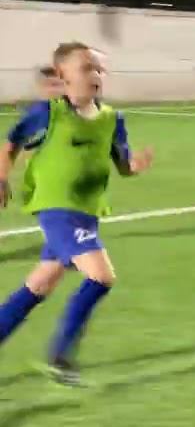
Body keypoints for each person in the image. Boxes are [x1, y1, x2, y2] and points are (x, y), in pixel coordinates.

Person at [0, 42, 154, 386]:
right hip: (57, 209)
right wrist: (1, 178)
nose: (95, 74)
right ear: (63, 75)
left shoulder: (112, 119)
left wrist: (135, 165)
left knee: (39, 285)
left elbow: (123, 165)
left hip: (86, 214)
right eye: (86, 68)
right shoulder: (48, 112)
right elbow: (12, 142)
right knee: (101, 276)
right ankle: (61, 356)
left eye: (99, 68)